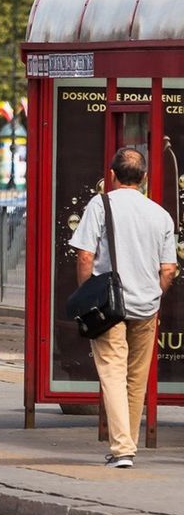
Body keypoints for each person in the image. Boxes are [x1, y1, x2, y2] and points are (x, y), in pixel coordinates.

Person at [69, 147, 177, 468]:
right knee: (136, 378)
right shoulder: (160, 215)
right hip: (147, 306)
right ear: (144, 179)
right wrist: (153, 293)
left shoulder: (100, 205)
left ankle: (122, 449)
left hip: (109, 306)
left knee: (113, 373)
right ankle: (126, 445)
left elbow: (85, 256)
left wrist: (87, 294)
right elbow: (168, 268)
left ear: (112, 175)